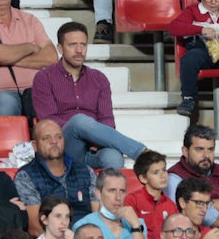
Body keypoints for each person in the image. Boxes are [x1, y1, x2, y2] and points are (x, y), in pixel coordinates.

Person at [32, 21, 143, 173]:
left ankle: (104, 195)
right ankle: (142, 154)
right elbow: (49, 120)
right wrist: (87, 133)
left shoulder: (99, 79)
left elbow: (107, 119)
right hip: (63, 144)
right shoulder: (44, 77)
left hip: (93, 148)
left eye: (83, 45)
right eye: (72, 45)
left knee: (114, 158)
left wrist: (96, 138)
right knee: (79, 120)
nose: (79, 50)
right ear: (60, 48)